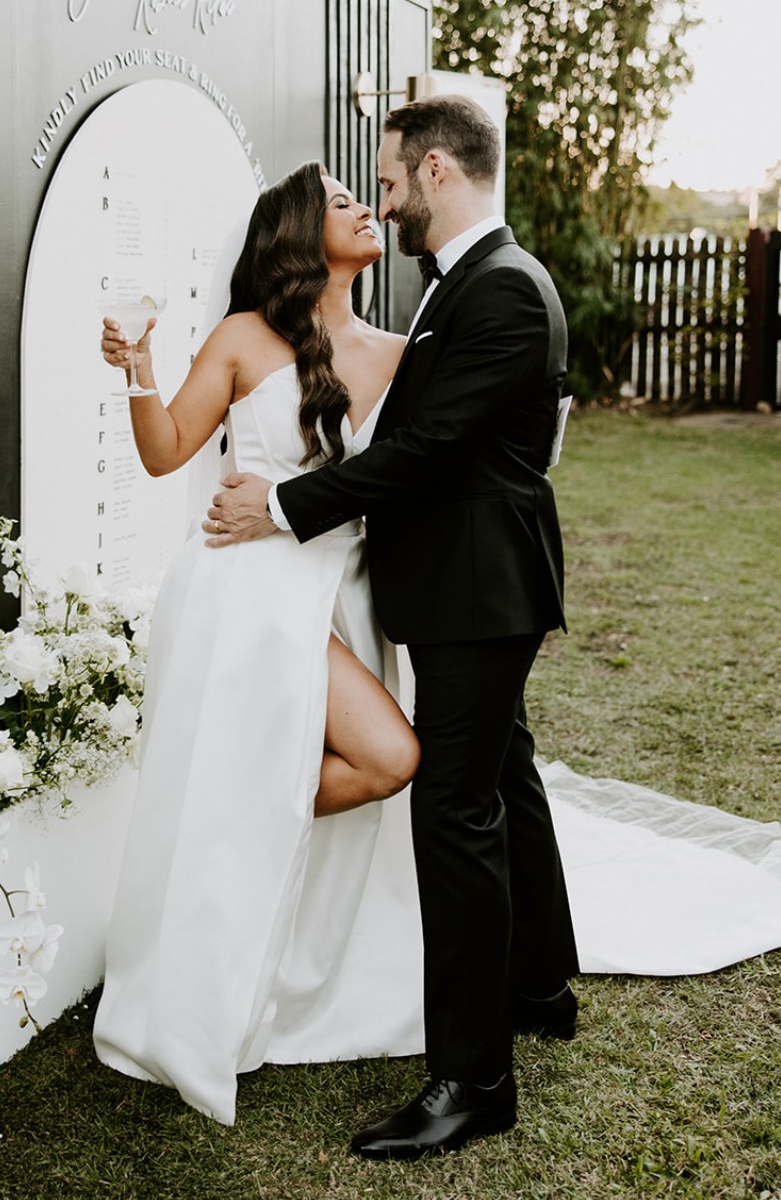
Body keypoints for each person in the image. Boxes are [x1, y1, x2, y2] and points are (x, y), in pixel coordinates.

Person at [205, 94, 579, 1159]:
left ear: (439, 174)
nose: (386, 194)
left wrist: (280, 507)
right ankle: (541, 983)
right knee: (505, 775)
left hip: (480, 589)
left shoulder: (500, 289)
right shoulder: (469, 285)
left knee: (455, 811)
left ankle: (473, 1079)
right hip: (474, 585)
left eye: (393, 174)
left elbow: (430, 451)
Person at [92, 161, 429, 1125]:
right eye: (339, 201)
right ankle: (231, 855)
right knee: (389, 753)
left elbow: (407, 476)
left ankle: (246, 815)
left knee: (371, 765)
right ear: (296, 237)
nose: (365, 207)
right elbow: (166, 454)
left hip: (346, 593)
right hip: (249, 594)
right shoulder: (245, 337)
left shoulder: (401, 352)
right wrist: (139, 369)